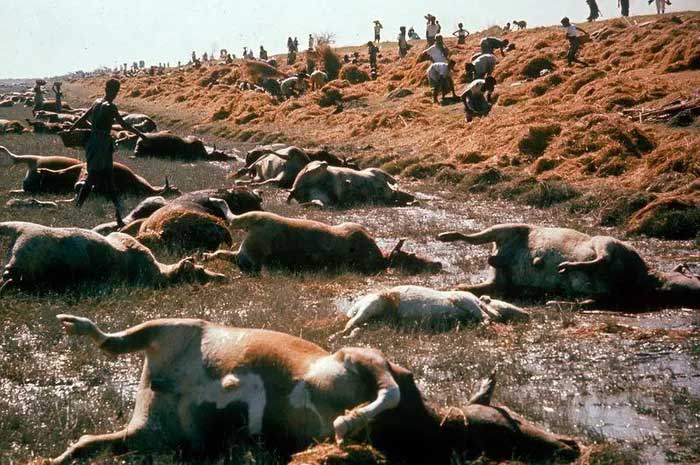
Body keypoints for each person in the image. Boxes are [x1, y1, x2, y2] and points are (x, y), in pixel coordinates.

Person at [69, 79, 146, 227]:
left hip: (93, 141)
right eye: (116, 91)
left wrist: (71, 130)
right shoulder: (110, 107)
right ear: (115, 91)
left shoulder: (96, 102)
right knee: (93, 175)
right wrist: (140, 134)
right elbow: (123, 124)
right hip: (102, 142)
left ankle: (117, 208)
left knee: (108, 175)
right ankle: (79, 205)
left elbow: (83, 119)